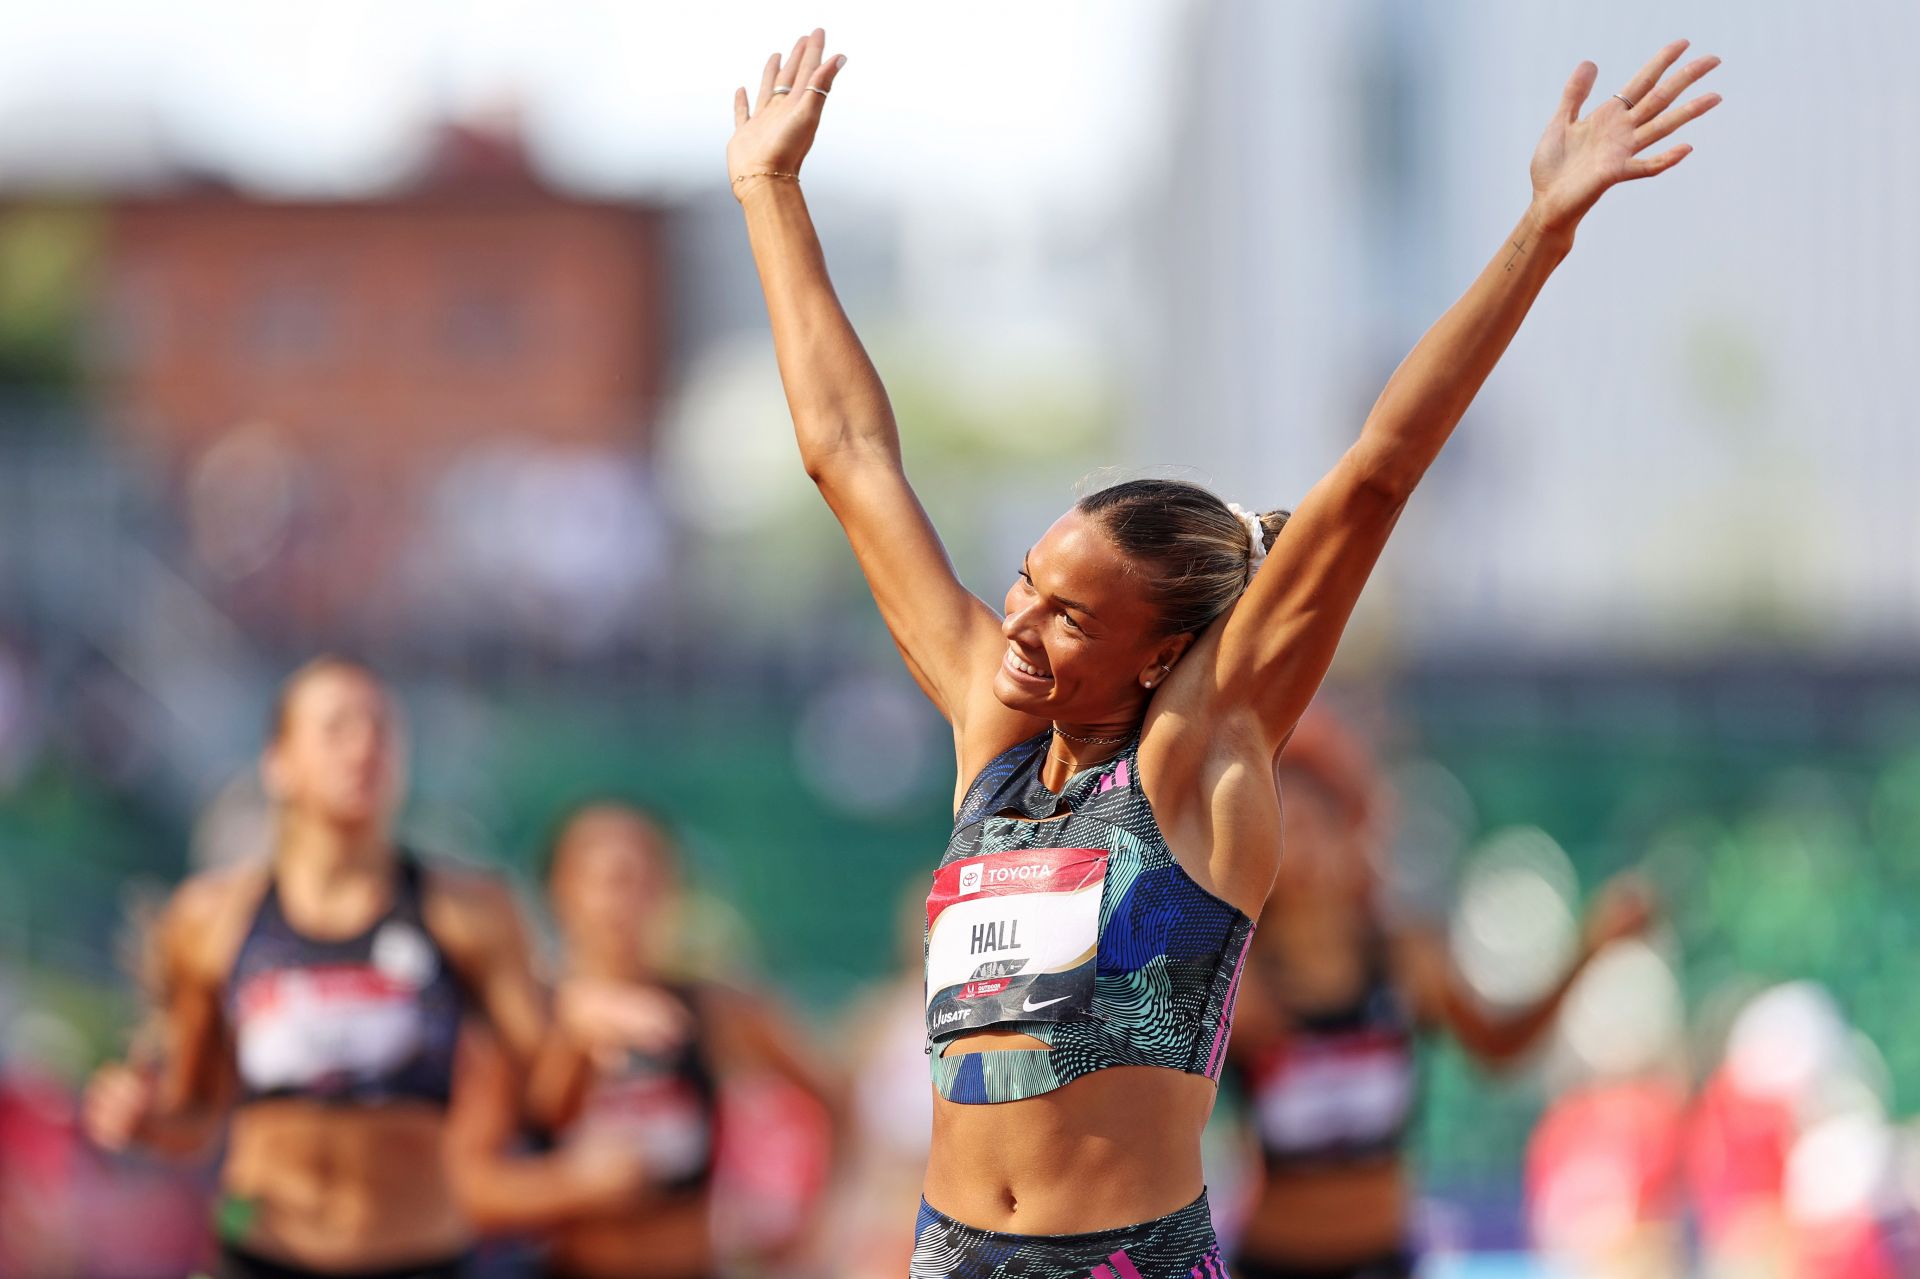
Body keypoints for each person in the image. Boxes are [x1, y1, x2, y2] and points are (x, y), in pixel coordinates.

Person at [727, 28, 1720, 1277]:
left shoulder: (1198, 763)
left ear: (1159, 656)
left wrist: (1543, 231)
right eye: (1027, 585)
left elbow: (1375, 475)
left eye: (1070, 616)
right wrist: (769, 193)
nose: (1019, 627)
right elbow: (849, 458)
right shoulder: (995, 737)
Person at [83, 656, 551, 1279]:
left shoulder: (468, 911)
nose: (363, 748)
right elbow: (197, 1115)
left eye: (381, 729)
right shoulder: (210, 919)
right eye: (336, 729)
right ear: (279, 763)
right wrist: (143, 1119)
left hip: (419, 1253)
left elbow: (547, 1089)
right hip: (263, 1252)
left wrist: (582, 1022)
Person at [1227, 710, 1655, 1278]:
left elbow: (1499, 1049)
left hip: (1384, 1255)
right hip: (1275, 1260)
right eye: (1281, 831)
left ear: (1350, 831)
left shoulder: (1407, 963)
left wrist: (1588, 950)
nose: (1299, 853)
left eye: (1313, 827)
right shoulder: (1237, 981)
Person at [446, 801, 839, 1279]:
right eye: (606, 880)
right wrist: (571, 1185)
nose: (623, 903)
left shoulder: (712, 1008)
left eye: (643, 878)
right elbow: (466, 1187)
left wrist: (807, 1226)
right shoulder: (524, 1016)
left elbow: (835, 1098)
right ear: (559, 889)